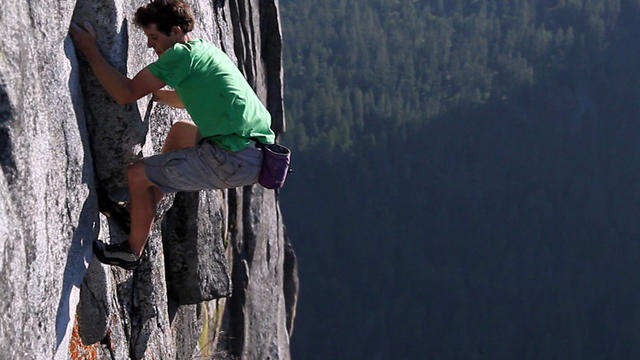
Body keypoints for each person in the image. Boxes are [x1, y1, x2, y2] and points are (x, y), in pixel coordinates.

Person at [69, 0, 275, 269]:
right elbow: (187, 99)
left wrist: (90, 51)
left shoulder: (179, 56)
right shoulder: (203, 51)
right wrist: (157, 94)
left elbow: (125, 93)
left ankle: (131, 252)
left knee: (136, 174)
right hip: (252, 153)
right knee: (179, 133)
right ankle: (139, 211)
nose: (149, 45)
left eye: (154, 37)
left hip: (231, 157)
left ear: (175, 31)